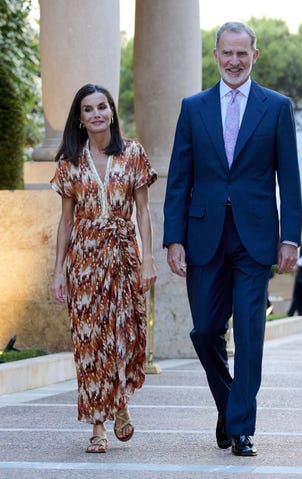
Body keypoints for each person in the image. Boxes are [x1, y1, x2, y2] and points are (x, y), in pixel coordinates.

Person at [163, 22, 302, 457]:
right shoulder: (193, 107)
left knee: (249, 331)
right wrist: (173, 238)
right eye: (227, 53)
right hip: (203, 236)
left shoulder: (277, 107)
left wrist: (290, 238)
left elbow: (290, 180)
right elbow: (179, 178)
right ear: (216, 54)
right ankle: (230, 405)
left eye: (243, 54)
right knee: (205, 331)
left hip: (255, 240)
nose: (234, 61)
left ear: (254, 56)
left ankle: (242, 427)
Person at [50, 83, 157, 453]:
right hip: (85, 260)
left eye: (101, 107)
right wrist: (58, 270)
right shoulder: (69, 162)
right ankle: (98, 425)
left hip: (124, 255)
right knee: (89, 341)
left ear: (111, 111)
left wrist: (148, 259)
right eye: (88, 109)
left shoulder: (133, 154)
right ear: (79, 119)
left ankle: (122, 401)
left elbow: (142, 211)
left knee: (125, 332)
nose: (96, 114)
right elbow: (65, 222)